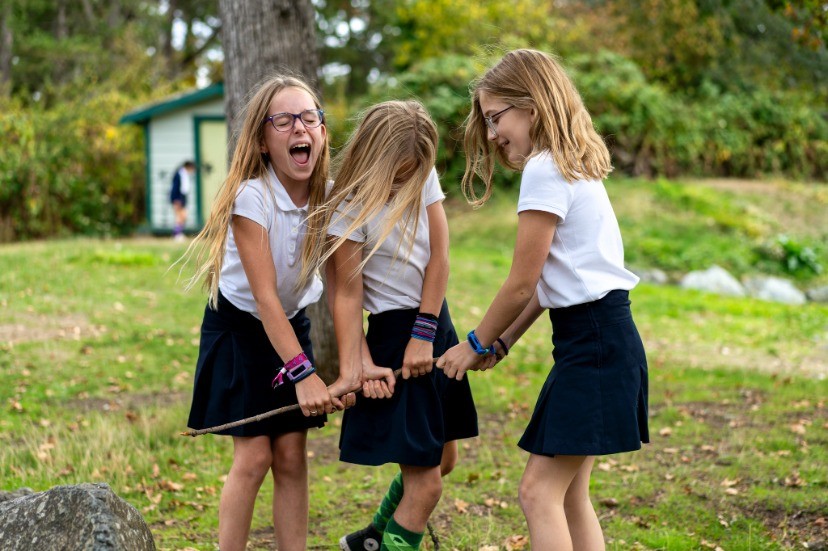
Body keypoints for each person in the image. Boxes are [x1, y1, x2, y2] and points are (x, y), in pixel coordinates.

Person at [437, 49, 649, 550]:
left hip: (594, 346)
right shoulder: (572, 164)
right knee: (571, 496)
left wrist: (473, 343)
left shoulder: (545, 169)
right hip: (601, 339)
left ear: (530, 106)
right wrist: (502, 342)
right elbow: (551, 284)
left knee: (537, 494)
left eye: (496, 118)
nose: (491, 134)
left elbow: (521, 283)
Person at [182, 74, 355, 551]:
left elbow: (346, 288)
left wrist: (354, 365)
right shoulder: (251, 198)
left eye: (309, 118)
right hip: (239, 328)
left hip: (290, 327)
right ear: (263, 140)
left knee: (293, 455)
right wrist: (303, 374)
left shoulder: (332, 197)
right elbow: (264, 298)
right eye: (284, 121)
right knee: (255, 455)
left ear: (321, 132)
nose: (299, 127)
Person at [304, 100, 479, 551]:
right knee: (426, 485)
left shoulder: (421, 172)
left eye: (414, 172)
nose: (408, 181)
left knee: (444, 460)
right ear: (375, 159)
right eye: (399, 173)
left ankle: (371, 540)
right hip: (393, 334)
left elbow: (439, 257)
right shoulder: (347, 206)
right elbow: (346, 294)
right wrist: (356, 365)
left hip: (433, 323)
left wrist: (426, 332)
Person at [170, 160, 196, 241]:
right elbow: (175, 187)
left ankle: (178, 233)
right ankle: (177, 234)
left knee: (183, 216)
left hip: (182, 197)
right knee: (179, 216)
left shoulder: (184, 174)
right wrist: (176, 199)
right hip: (177, 197)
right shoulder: (179, 174)